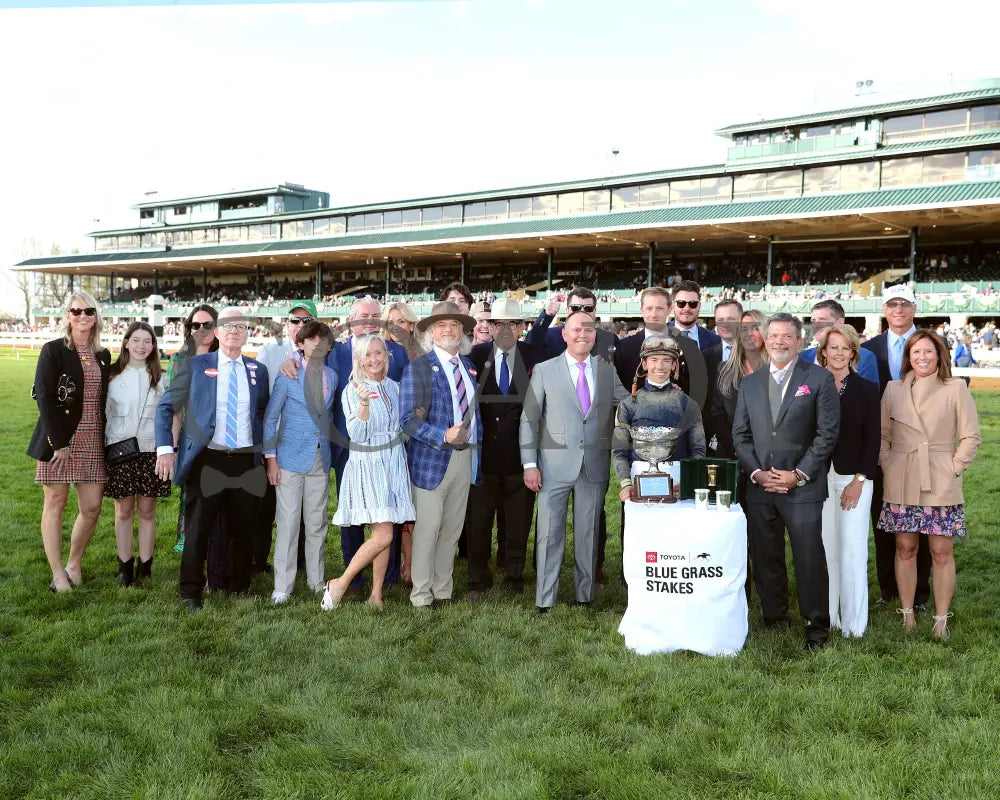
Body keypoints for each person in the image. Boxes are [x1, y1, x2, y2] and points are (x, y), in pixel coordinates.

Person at [280, 296, 410, 592]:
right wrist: (290, 360)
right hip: (346, 445)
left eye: (376, 315)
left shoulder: (398, 353)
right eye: (364, 315)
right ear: (351, 318)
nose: (370, 320)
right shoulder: (334, 351)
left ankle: (387, 576)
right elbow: (307, 362)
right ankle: (354, 579)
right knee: (353, 516)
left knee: (387, 513)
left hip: (388, 449)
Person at [732, 312, 840, 651]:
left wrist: (797, 475)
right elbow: (740, 434)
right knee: (766, 555)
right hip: (761, 486)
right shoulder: (750, 382)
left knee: (808, 557)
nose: (779, 341)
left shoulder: (820, 379)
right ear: (765, 339)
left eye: (786, 336)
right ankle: (774, 617)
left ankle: (816, 626)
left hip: (803, 486)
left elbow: (827, 434)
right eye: (773, 335)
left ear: (799, 341)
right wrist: (757, 473)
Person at [155, 307, 271, 610]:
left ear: (248, 334)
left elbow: (260, 411)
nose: (234, 330)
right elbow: (166, 407)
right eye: (227, 326)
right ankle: (190, 590)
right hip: (208, 459)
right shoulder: (195, 366)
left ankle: (237, 586)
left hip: (245, 461)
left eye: (241, 326)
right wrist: (166, 448)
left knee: (243, 529)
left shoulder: (258, 370)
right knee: (198, 530)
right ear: (217, 332)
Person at [520, 311, 629, 612]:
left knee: (588, 534)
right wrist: (530, 464)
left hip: (593, 465)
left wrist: (659, 396)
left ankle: (585, 596)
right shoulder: (544, 370)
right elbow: (529, 419)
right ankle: (545, 598)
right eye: (577, 329)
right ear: (564, 334)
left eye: (589, 329)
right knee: (548, 534)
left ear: (595, 335)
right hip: (553, 466)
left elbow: (629, 405)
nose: (583, 334)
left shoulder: (606, 370)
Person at [878, 330, 980, 640]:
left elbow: (971, 436)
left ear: (940, 355)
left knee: (940, 552)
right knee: (905, 548)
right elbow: (883, 434)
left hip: (939, 477)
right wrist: (889, 463)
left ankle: (940, 619)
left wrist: (953, 468)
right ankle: (907, 614)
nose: (922, 357)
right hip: (903, 476)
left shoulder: (955, 387)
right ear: (907, 357)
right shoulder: (893, 389)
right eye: (916, 352)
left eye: (929, 352)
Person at [323, 334, 416, 609]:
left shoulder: (395, 388)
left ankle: (376, 595)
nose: (374, 359)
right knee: (385, 534)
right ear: (359, 360)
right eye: (368, 355)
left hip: (393, 461)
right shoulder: (352, 390)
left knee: (383, 529)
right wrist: (364, 404)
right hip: (369, 463)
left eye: (379, 353)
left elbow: (402, 428)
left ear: (386, 356)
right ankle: (340, 583)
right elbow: (358, 434)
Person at [400, 301, 482, 608]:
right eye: (441, 325)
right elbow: (407, 419)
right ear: (431, 331)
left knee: (452, 529)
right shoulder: (419, 368)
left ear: (462, 330)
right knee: (428, 529)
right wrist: (441, 435)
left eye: (454, 325)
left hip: (464, 458)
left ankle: (443, 590)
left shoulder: (469, 367)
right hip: (430, 460)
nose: (448, 330)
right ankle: (421, 594)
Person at [28, 292, 110, 592]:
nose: (82, 316)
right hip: (59, 438)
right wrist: (58, 442)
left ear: (96, 316)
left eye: (88, 310)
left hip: (92, 436)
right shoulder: (53, 350)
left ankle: (74, 564)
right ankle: (58, 574)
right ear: (68, 316)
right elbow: (45, 399)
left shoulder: (103, 354)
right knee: (55, 503)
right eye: (76, 311)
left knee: (92, 507)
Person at [466, 299, 547, 598]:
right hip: (482, 458)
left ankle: (514, 576)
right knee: (478, 522)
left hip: (521, 457)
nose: (505, 329)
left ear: (521, 327)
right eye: (499, 323)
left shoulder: (537, 357)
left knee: (517, 521)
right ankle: (478, 578)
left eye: (512, 323)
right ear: (490, 326)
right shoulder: (475, 355)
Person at [861, 284, 930, 611]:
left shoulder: (931, 344)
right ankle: (888, 588)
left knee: (923, 521)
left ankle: (920, 592)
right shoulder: (869, 348)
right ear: (884, 310)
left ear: (914, 307)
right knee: (883, 519)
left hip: (924, 450)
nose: (898, 309)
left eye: (904, 303)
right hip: (882, 448)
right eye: (892, 304)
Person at [263, 320, 338, 604]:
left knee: (317, 522)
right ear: (302, 344)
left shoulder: (332, 375)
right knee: (289, 522)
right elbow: (270, 419)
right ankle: (282, 585)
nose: (318, 345)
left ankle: (317, 581)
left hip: (321, 457)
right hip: (289, 459)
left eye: (323, 341)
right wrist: (271, 459)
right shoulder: (288, 375)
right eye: (312, 341)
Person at [815, 324, 880, 637]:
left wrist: (859, 480)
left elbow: (873, 441)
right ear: (824, 351)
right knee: (826, 550)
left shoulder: (867, 389)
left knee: (852, 551)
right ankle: (829, 618)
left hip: (854, 478)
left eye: (845, 348)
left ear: (853, 353)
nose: (838, 353)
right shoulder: (811, 385)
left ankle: (854, 625)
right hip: (817, 480)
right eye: (833, 347)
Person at [255, 300, 318, 578]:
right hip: (273, 447)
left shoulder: (321, 354)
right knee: (267, 510)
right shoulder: (270, 352)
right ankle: (258, 561)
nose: (300, 326)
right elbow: (258, 403)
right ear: (286, 324)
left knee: (306, 511)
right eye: (295, 320)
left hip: (306, 447)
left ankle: (302, 563)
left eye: (307, 321)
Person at [104, 321, 171, 586]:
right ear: (126, 342)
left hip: (150, 451)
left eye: (147, 341)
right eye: (136, 340)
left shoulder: (161, 378)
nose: (142, 346)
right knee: (123, 511)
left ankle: (145, 565)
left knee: (147, 510)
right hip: (119, 451)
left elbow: (170, 417)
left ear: (153, 346)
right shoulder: (111, 376)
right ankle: (124, 566)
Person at [613, 334, 706, 501]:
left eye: (666, 360)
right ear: (644, 364)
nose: (660, 366)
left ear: (674, 365)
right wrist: (626, 484)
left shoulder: (689, 405)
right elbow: (619, 451)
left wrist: (686, 482)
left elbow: (698, 450)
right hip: (638, 479)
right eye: (654, 359)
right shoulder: (628, 405)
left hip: (677, 478)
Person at [165, 304, 219, 556]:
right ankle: (190, 545)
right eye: (195, 325)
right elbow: (174, 409)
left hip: (223, 442)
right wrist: (173, 448)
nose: (200, 330)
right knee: (193, 496)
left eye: (207, 325)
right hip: (191, 439)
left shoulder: (226, 358)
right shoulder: (179, 360)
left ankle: (217, 548)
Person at [526, 286, 617, 361]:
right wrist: (546, 316)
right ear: (566, 311)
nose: (582, 312)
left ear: (595, 312)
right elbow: (530, 347)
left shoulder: (609, 339)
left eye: (588, 308)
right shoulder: (550, 336)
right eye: (575, 308)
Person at [799, 299, 879, 385]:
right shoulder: (802, 357)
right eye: (813, 321)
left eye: (822, 320)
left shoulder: (865, 357)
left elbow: (869, 395)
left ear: (840, 322)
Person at [667, 280, 721, 352]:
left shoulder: (715, 340)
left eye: (693, 304)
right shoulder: (658, 335)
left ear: (699, 306)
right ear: (673, 306)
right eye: (681, 303)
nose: (686, 308)